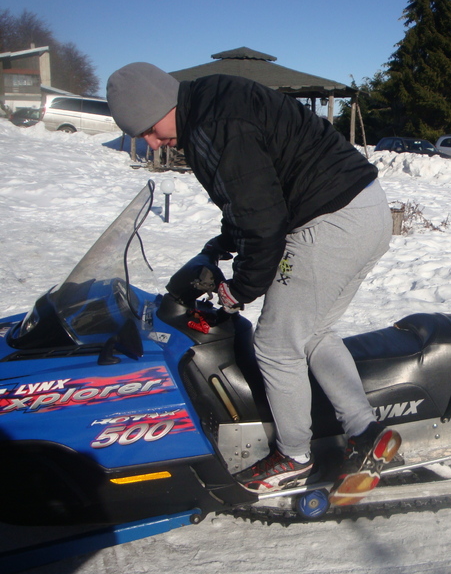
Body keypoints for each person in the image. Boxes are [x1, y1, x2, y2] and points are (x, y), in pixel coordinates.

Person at [106, 63, 400, 504]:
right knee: (311, 331)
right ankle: (364, 431)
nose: (151, 142)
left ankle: (294, 456)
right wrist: (225, 243)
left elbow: (264, 223)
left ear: (164, 103)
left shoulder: (215, 125)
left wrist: (241, 288)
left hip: (329, 222)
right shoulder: (209, 106)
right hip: (364, 211)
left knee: (276, 344)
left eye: (149, 129)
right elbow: (248, 193)